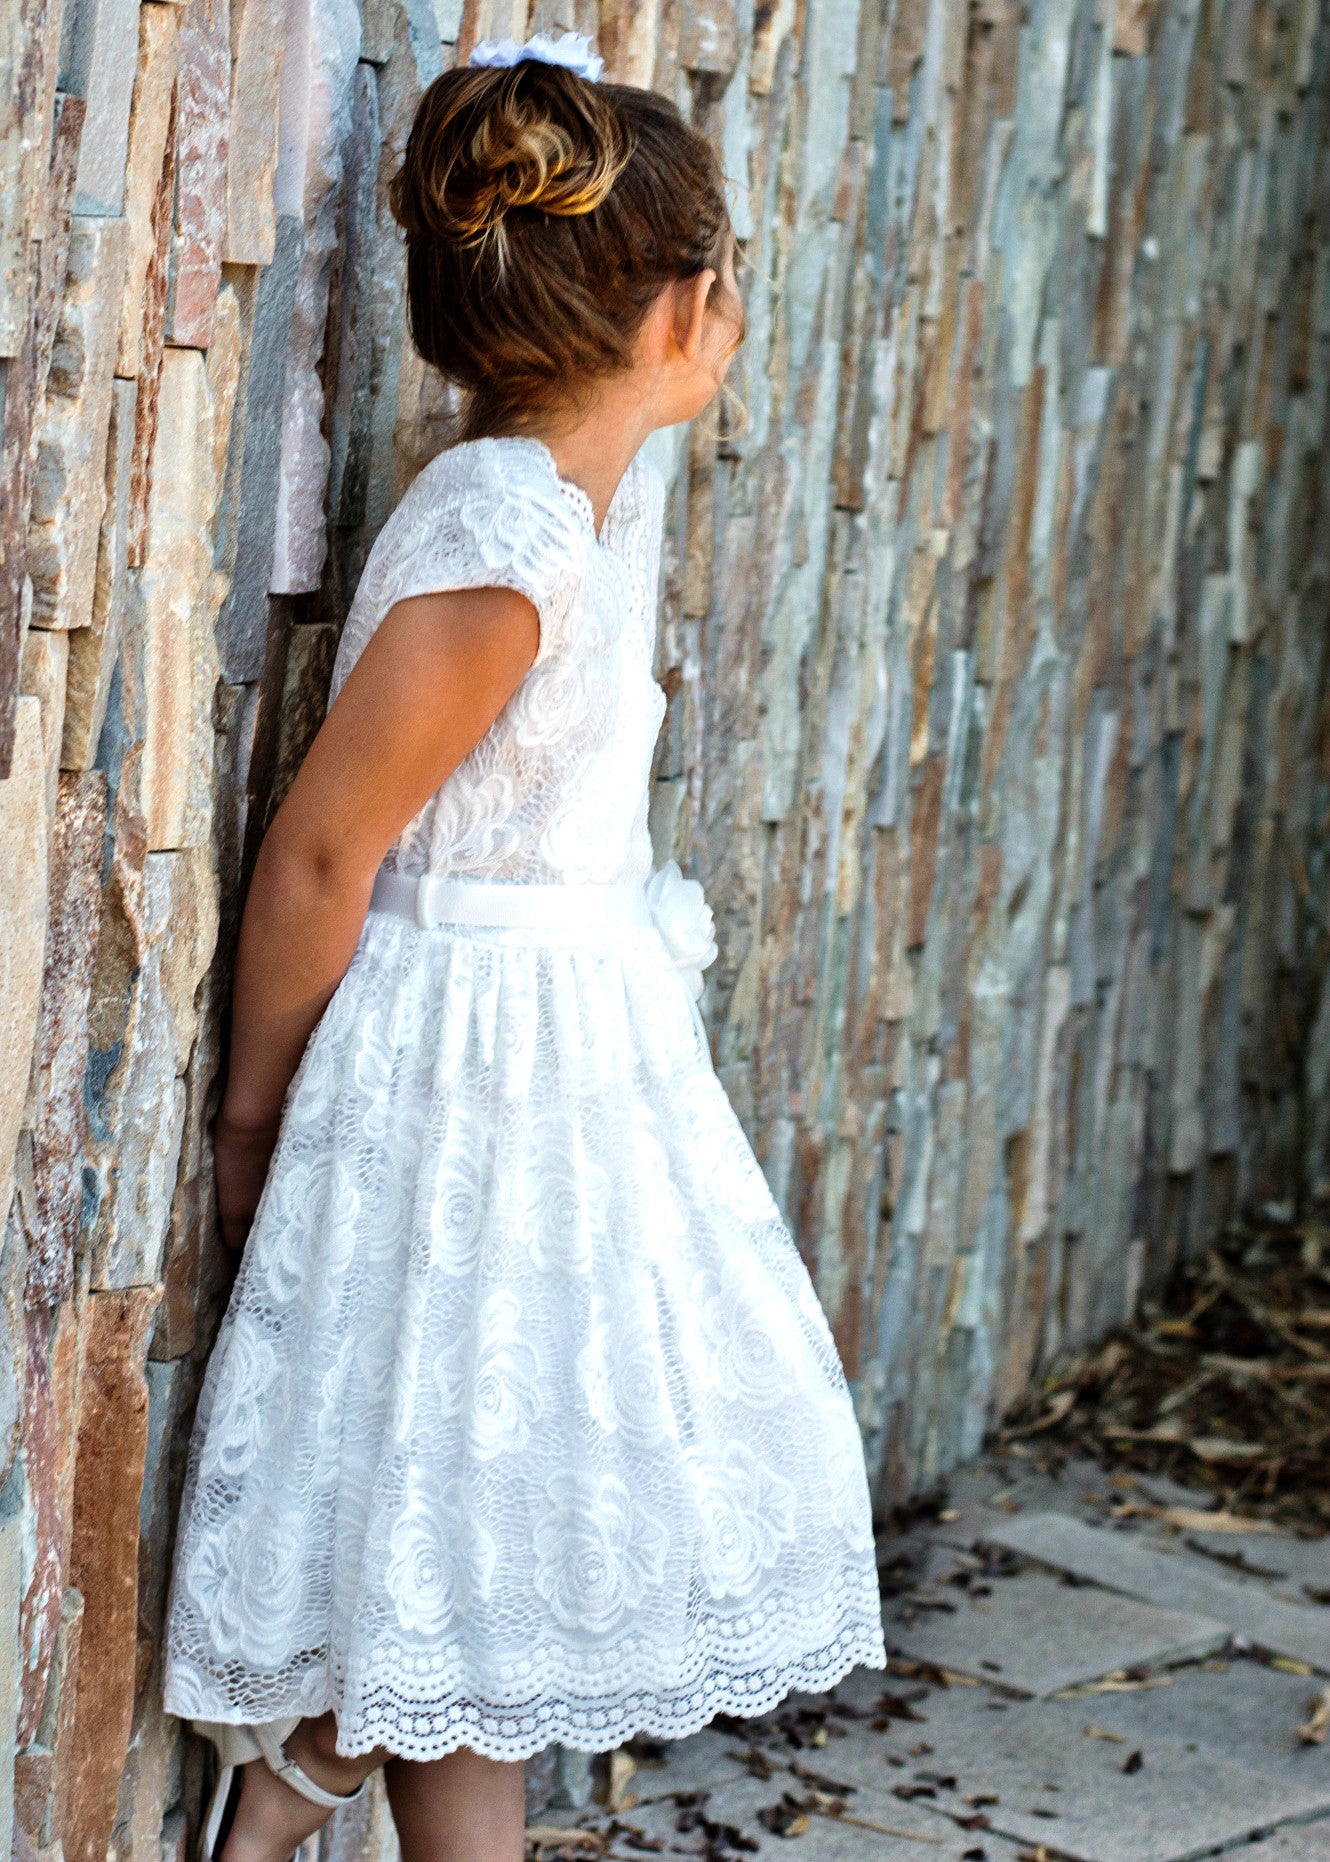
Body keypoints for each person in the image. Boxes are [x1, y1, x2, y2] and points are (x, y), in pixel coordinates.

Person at [161, 32, 886, 1862]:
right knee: (451, 1505)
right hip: (464, 1085)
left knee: (482, 1531)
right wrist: (259, 1124)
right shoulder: (502, 549)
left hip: (572, 1070)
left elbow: (604, 467)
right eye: (711, 285)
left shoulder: (578, 488)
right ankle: (284, 1802)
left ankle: (289, 1803)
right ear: (665, 311)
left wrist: (641, 391)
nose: (730, 315)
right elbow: (325, 848)